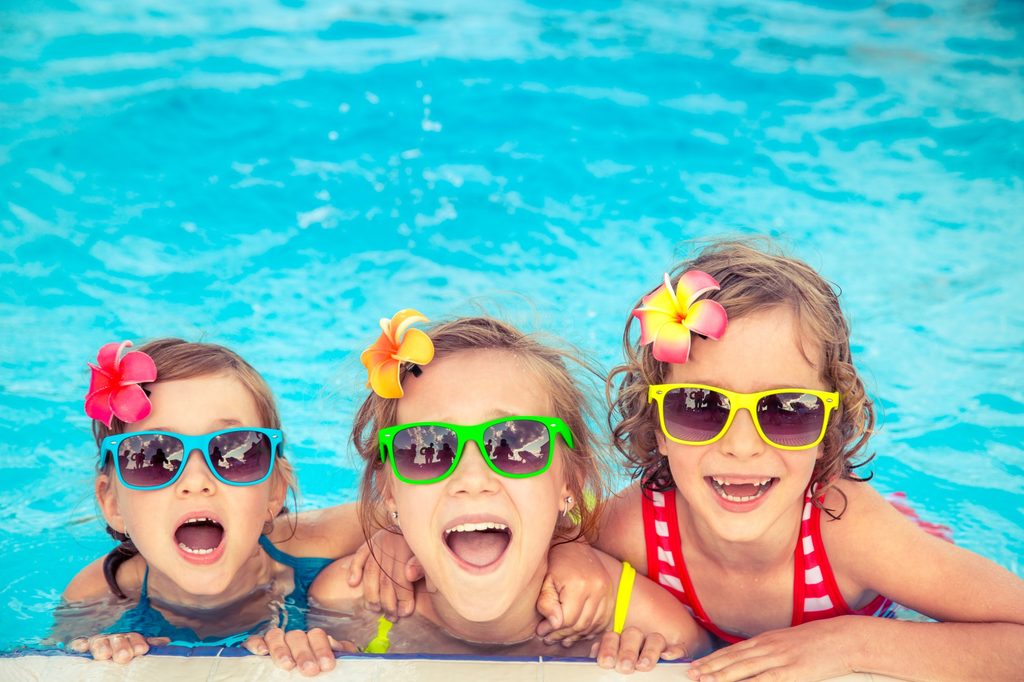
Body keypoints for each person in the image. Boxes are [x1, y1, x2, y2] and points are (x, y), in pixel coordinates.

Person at [591, 239, 1024, 681]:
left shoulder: (852, 533)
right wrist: (584, 571)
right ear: (658, 424)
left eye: (786, 409)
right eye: (700, 405)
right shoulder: (636, 530)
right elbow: (540, 552)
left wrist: (852, 641)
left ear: (827, 429)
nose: (742, 446)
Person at [247, 313, 711, 675]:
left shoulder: (646, 624)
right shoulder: (351, 605)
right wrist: (303, 653)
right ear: (389, 493)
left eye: (514, 443)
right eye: (427, 448)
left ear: (570, 483)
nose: (472, 477)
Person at [55, 339, 368, 667]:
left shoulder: (323, 541)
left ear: (274, 491)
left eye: (235, 451)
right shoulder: (95, 596)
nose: (196, 482)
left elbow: (398, 514)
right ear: (112, 503)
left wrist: (388, 545)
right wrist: (106, 645)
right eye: (154, 456)